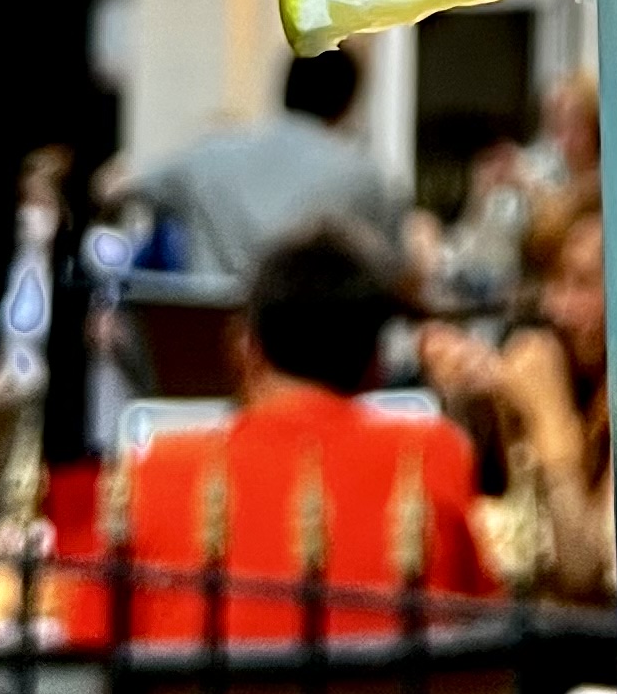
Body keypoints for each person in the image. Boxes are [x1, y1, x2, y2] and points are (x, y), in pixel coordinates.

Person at [125, 224, 495, 640]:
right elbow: (476, 624)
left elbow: (90, 646)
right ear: (375, 362)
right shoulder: (434, 454)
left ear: (246, 349)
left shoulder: (156, 468)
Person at [419, 202, 612, 600]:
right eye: (555, 282)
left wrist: (550, 420)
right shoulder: (573, 376)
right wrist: (477, 403)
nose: (557, 308)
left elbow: (583, 575)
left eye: (582, 284)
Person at [102, 49, 405, 289]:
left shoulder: (211, 155)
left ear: (286, 88)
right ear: (348, 102)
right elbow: (391, 272)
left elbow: (116, 188)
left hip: (213, 337)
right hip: (311, 345)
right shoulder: (364, 177)